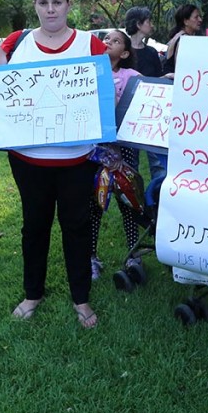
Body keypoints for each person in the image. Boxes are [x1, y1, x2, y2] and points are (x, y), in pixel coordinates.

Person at [0, 0, 107, 329]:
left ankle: (81, 298)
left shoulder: (90, 45)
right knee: (35, 226)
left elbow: (107, 97)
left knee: (76, 226)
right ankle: (33, 293)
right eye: (43, 2)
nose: (50, 9)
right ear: (35, 5)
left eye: (57, 2)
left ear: (68, 3)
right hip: (28, 160)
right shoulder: (16, 43)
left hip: (77, 159)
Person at [89, 30, 143, 280]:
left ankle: (134, 255)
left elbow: (150, 92)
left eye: (115, 40)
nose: (108, 41)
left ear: (124, 53)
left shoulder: (131, 76)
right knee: (94, 204)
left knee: (128, 202)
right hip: (96, 150)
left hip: (126, 150)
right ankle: (90, 257)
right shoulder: (88, 71)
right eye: (106, 38)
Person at [124, 6, 166, 185]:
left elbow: (157, 79)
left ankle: (157, 200)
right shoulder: (123, 51)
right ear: (139, 24)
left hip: (152, 112)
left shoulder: (151, 52)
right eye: (148, 21)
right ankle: (133, 203)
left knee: (157, 162)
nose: (152, 25)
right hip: (128, 114)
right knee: (129, 163)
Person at [163, 3, 203, 75]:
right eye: (196, 17)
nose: (200, 20)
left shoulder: (178, 36)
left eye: (200, 16)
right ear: (186, 21)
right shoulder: (185, 40)